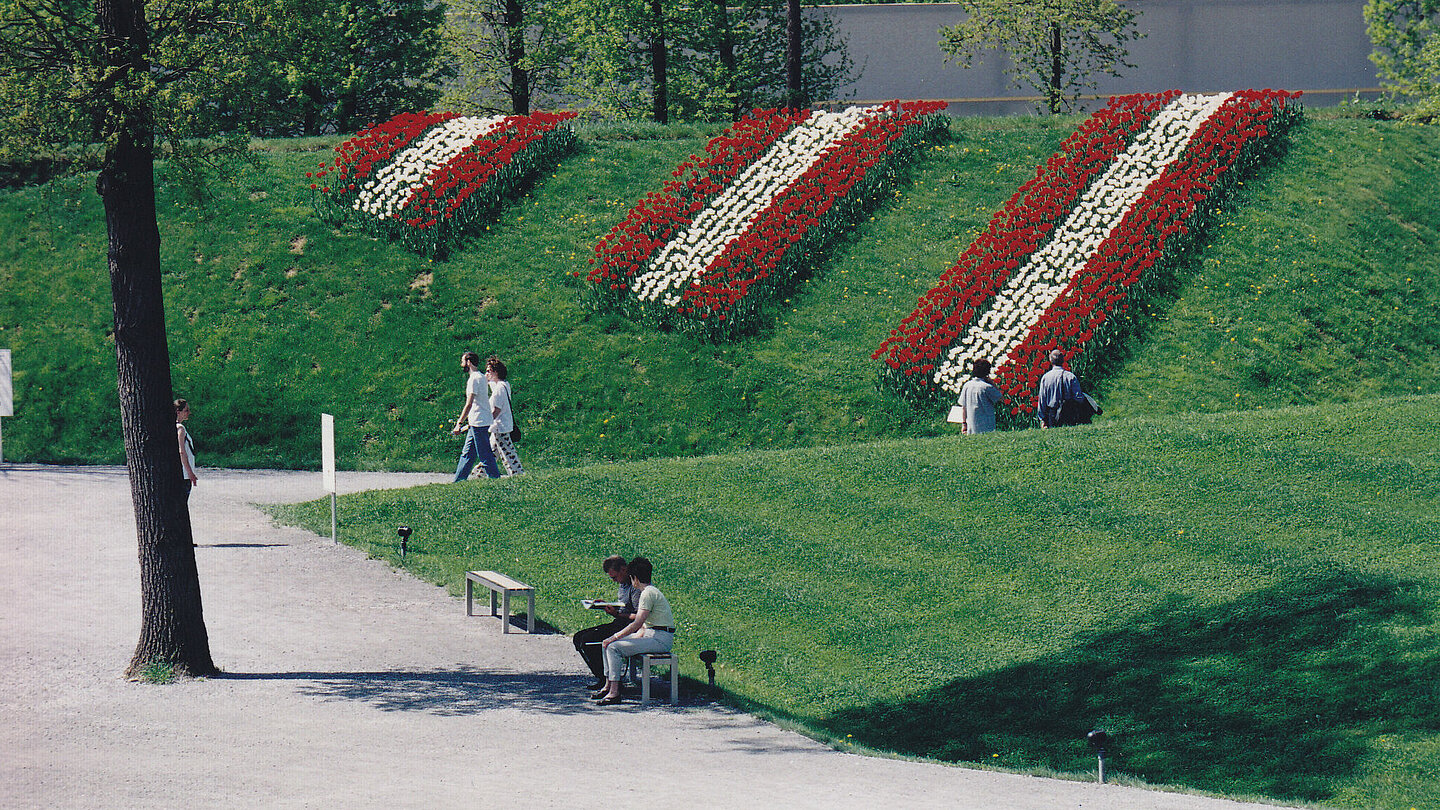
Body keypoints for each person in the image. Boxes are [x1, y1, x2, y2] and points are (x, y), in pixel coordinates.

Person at [594, 556, 674, 705]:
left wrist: (615, 637)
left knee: (613, 646)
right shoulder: (649, 592)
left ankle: (614, 692)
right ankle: (609, 685)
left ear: (634, 578)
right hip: (652, 634)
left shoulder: (647, 593)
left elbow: (638, 622)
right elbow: (644, 625)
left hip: (660, 639)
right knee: (606, 644)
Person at [573, 556, 641, 691]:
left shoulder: (636, 587)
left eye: (615, 577)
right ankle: (602, 677)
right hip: (619, 621)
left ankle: (610, 680)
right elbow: (624, 607)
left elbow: (639, 616)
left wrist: (616, 614)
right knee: (579, 638)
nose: (614, 581)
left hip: (629, 627)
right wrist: (605, 605)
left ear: (623, 569)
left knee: (590, 640)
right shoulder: (623, 585)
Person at [451, 351, 501, 481]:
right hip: (476, 421)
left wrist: (459, 423)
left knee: (485, 455)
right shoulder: (481, 377)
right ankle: (458, 481)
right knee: (467, 453)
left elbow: (469, 404)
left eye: (463, 361)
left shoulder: (474, 379)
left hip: (479, 422)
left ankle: (496, 479)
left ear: (468, 362)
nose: (461, 364)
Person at [486, 356, 524, 477]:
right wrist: (487, 380)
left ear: (495, 372)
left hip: (500, 426)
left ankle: (518, 475)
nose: (486, 373)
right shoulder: (505, 385)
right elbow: (493, 384)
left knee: (508, 454)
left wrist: (485, 421)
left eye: (488, 371)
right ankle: (479, 474)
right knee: (490, 453)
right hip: (501, 426)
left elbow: (496, 410)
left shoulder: (498, 390)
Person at [1035, 349, 1091, 428]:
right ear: (1063, 360)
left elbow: (1042, 400)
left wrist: (1042, 419)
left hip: (1052, 414)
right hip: (1069, 413)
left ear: (1051, 361)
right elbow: (1078, 398)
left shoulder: (1046, 378)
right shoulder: (1070, 376)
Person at [957, 358, 1002, 435]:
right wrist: (993, 384)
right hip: (986, 425)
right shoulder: (987, 387)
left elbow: (963, 407)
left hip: (971, 425)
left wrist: (964, 423)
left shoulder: (967, 385)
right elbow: (1001, 398)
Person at [175, 399, 198, 497]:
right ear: (178, 412)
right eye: (186, 410)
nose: (189, 413)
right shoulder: (180, 429)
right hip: (184, 475)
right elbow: (182, 452)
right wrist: (190, 473)